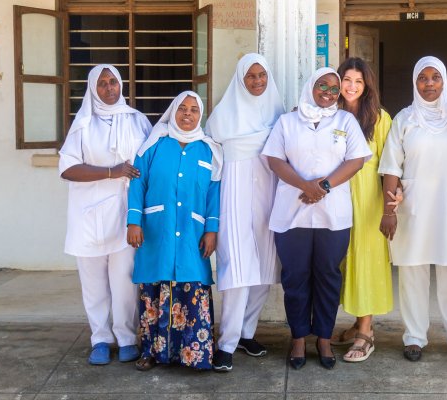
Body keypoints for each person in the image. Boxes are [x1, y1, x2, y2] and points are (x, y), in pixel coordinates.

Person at [262, 67, 372, 370]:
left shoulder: (345, 121)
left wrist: (322, 186)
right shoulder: (287, 122)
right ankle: (298, 337)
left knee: (327, 276)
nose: (328, 92)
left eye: (334, 89)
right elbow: (274, 159)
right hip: (292, 213)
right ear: (311, 86)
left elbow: (357, 160)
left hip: (332, 215)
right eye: (322, 85)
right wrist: (304, 186)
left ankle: (323, 337)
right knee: (295, 277)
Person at [379, 56, 447, 363]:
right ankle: (414, 336)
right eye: (423, 78)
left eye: (435, 78)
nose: (429, 84)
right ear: (415, 82)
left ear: (444, 81)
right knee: (412, 273)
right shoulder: (404, 119)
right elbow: (391, 166)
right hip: (413, 207)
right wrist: (388, 211)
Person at [59, 64, 152, 365]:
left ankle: (126, 337)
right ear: (92, 88)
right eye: (102, 84)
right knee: (94, 283)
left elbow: (151, 159)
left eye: (113, 82)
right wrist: (112, 171)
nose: (109, 88)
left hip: (126, 214)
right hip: (88, 216)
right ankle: (100, 338)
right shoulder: (83, 124)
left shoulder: (137, 120)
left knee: (125, 280)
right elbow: (68, 168)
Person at [126, 90, 223, 371]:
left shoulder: (209, 150)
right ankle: (150, 352)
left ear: (200, 114)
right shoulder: (154, 145)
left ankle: (193, 355)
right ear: (173, 111)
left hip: (193, 232)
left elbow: (214, 194)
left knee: (191, 286)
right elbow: (137, 184)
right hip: (157, 229)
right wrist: (134, 221)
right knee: (155, 285)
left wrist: (212, 229)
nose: (188, 114)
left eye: (194, 109)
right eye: (183, 108)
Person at [205, 53, 285, 372]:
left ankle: (245, 333)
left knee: (265, 270)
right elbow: (210, 162)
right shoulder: (223, 116)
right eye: (250, 76)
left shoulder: (279, 113)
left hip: (269, 193)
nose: (257, 81)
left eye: (262, 75)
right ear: (240, 79)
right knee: (236, 269)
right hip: (233, 195)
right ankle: (226, 342)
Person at [330, 57, 395, 363]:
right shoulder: (331, 113)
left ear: (366, 85)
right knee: (342, 260)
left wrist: (389, 205)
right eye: (347, 80)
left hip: (369, 197)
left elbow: (390, 164)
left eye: (358, 81)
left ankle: (366, 332)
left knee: (366, 261)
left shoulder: (380, 118)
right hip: (336, 194)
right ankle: (357, 321)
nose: (352, 87)